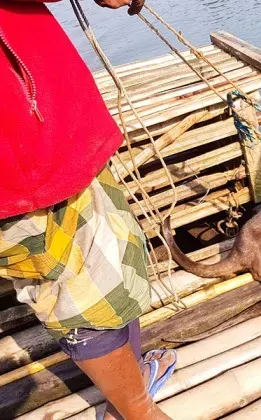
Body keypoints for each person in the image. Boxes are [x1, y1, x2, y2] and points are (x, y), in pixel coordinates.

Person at [0, 1, 176, 419]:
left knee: (113, 267)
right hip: (20, 161)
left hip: (59, 127)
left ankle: (130, 386)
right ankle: (136, 411)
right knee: (79, 300)